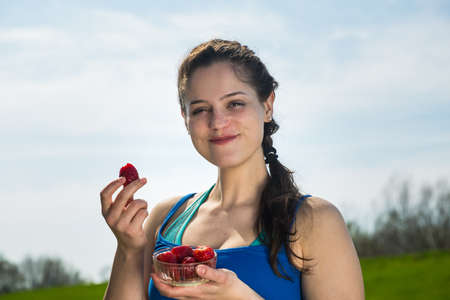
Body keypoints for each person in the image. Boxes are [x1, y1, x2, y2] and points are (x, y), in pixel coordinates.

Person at [100, 39, 365, 300]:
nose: (218, 121)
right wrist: (129, 250)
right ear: (185, 119)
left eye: (234, 103)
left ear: (267, 105)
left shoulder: (315, 221)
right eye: (201, 109)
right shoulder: (164, 219)